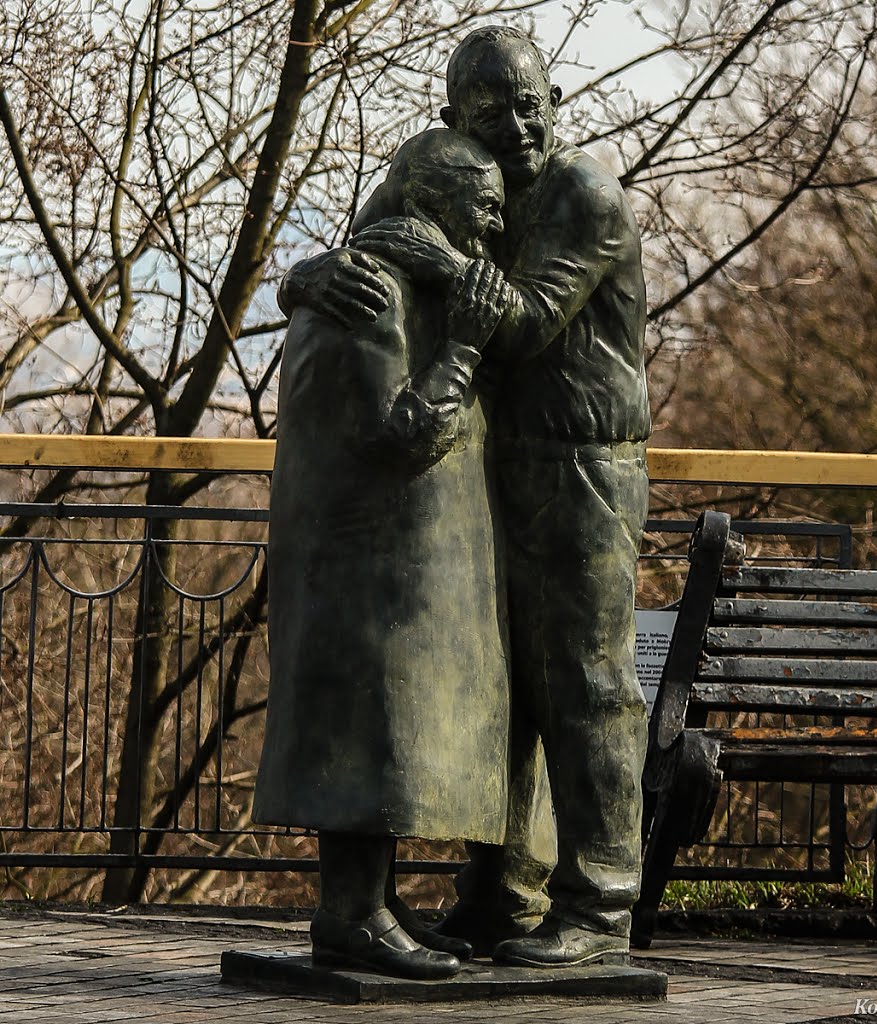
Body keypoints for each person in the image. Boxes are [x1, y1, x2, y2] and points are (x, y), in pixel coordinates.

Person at [281, 26, 652, 969]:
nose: (520, 130)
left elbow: (519, 321)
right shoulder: (454, 177)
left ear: (555, 101)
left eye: (532, 107)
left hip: (580, 466)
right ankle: (502, 893)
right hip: (490, 467)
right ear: (458, 120)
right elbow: (364, 251)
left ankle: (600, 905)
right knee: (510, 687)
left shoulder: (580, 193)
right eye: (495, 115)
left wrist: (437, 263)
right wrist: (306, 277)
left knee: (584, 683)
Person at [253, 128, 513, 980]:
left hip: (374, 555)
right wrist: (467, 345)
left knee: (386, 725)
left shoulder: (378, 277)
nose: (492, 231)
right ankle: (352, 914)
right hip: (364, 557)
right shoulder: (373, 289)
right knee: (370, 722)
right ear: (433, 203)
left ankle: (373, 905)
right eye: (482, 210)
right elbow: (400, 433)